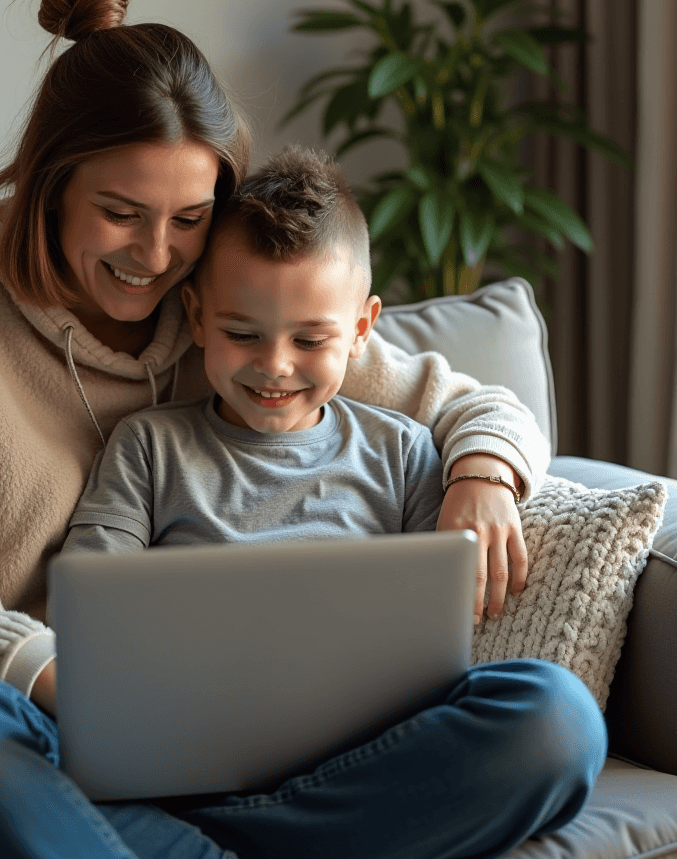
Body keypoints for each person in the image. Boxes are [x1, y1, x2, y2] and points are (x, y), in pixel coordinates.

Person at [0, 0, 596, 859]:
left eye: (189, 218)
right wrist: (71, 676)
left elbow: (469, 405)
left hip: (269, 748)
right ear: (48, 185)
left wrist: (483, 473)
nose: (155, 257)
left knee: (551, 719)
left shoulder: (235, 314)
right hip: (34, 734)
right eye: (120, 213)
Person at [62, 145, 447, 559]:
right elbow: (90, 590)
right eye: (243, 335)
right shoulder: (149, 449)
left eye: (309, 341)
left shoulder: (403, 455)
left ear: (360, 330)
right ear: (197, 316)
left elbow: (446, 598)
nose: (275, 366)